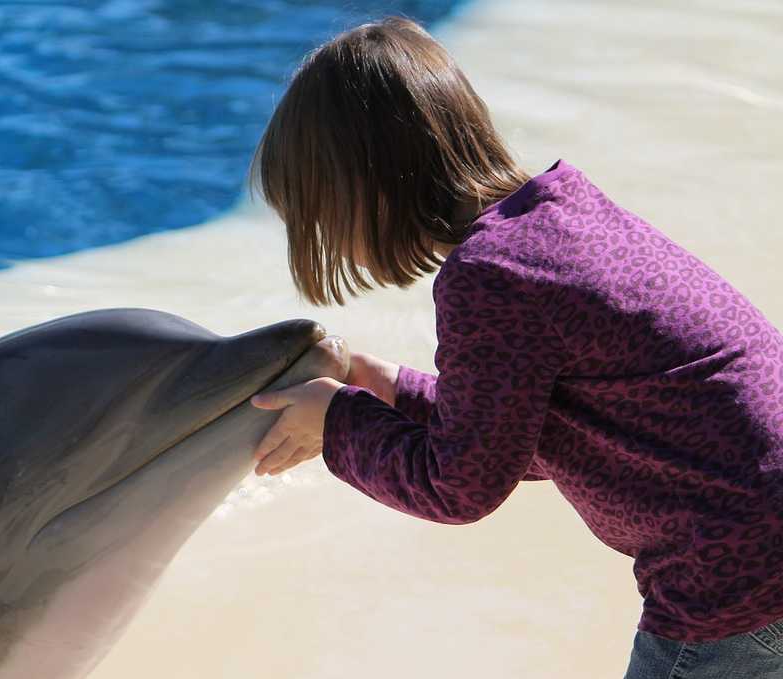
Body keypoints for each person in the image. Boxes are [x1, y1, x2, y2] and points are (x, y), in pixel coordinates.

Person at [246, 16, 783, 678]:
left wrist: (335, 422)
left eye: (319, 215)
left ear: (366, 189)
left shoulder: (492, 277)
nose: (328, 236)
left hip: (735, 576)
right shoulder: (559, 220)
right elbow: (516, 431)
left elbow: (458, 485)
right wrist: (379, 383)